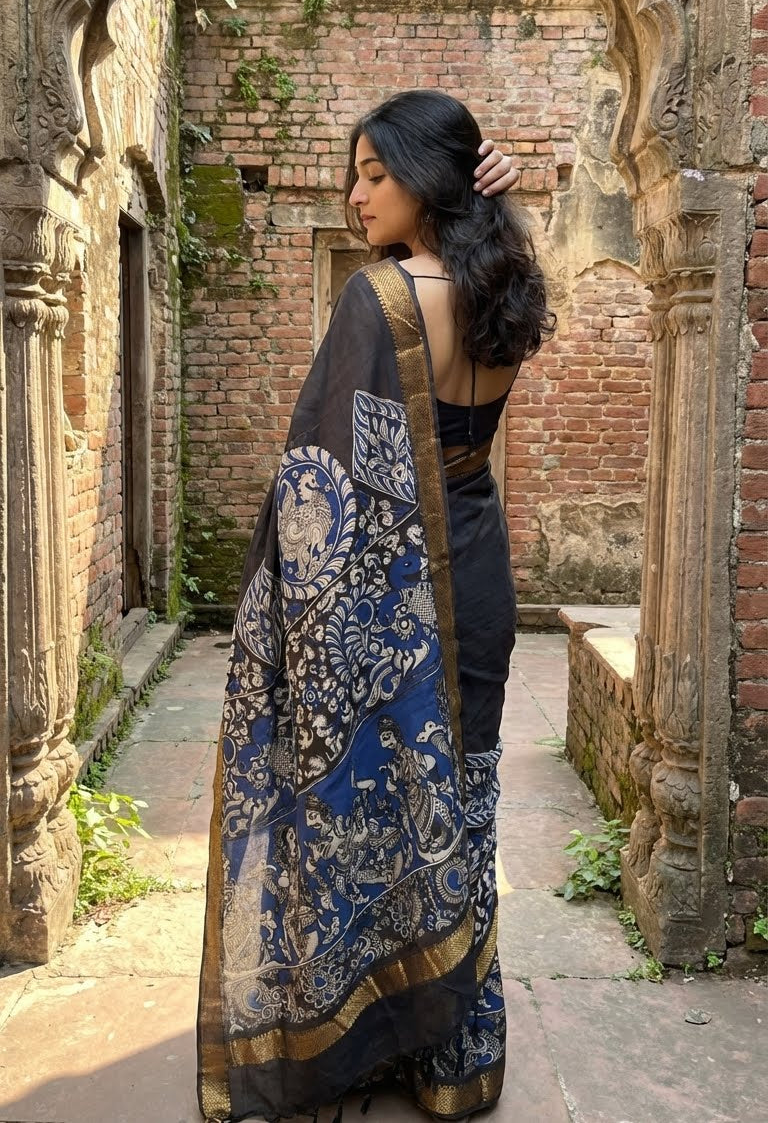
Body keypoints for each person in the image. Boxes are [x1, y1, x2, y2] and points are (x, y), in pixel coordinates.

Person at [197, 91, 555, 1123]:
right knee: (460, 811)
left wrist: (286, 620)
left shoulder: (383, 298)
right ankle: (456, 1063)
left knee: (373, 808)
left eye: (375, 174)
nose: (356, 195)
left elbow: (324, 485)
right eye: (354, 175)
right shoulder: (507, 285)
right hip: (479, 580)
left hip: (399, 593)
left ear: (426, 183)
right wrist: (504, 194)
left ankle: (358, 1039)